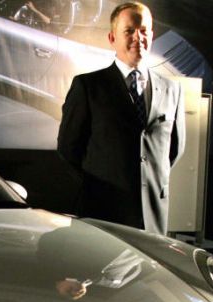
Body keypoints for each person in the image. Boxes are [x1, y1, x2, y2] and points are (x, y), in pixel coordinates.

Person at [57, 2, 186, 234]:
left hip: (153, 217)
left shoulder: (172, 90)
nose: (138, 37)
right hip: (104, 212)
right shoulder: (88, 86)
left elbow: (174, 149)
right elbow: (69, 148)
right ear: (112, 38)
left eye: (144, 30)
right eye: (129, 31)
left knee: (152, 271)